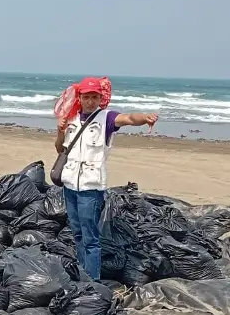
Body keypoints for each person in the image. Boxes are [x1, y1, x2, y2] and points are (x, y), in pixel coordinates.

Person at [54, 79, 158, 281]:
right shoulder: (71, 119)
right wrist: (60, 130)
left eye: (94, 97)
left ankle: (92, 282)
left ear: (101, 99)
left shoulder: (106, 118)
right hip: (69, 186)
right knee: (77, 234)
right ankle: (83, 274)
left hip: (90, 189)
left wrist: (144, 118)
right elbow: (60, 148)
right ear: (80, 98)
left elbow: (128, 118)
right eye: (86, 97)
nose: (90, 101)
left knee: (91, 238)